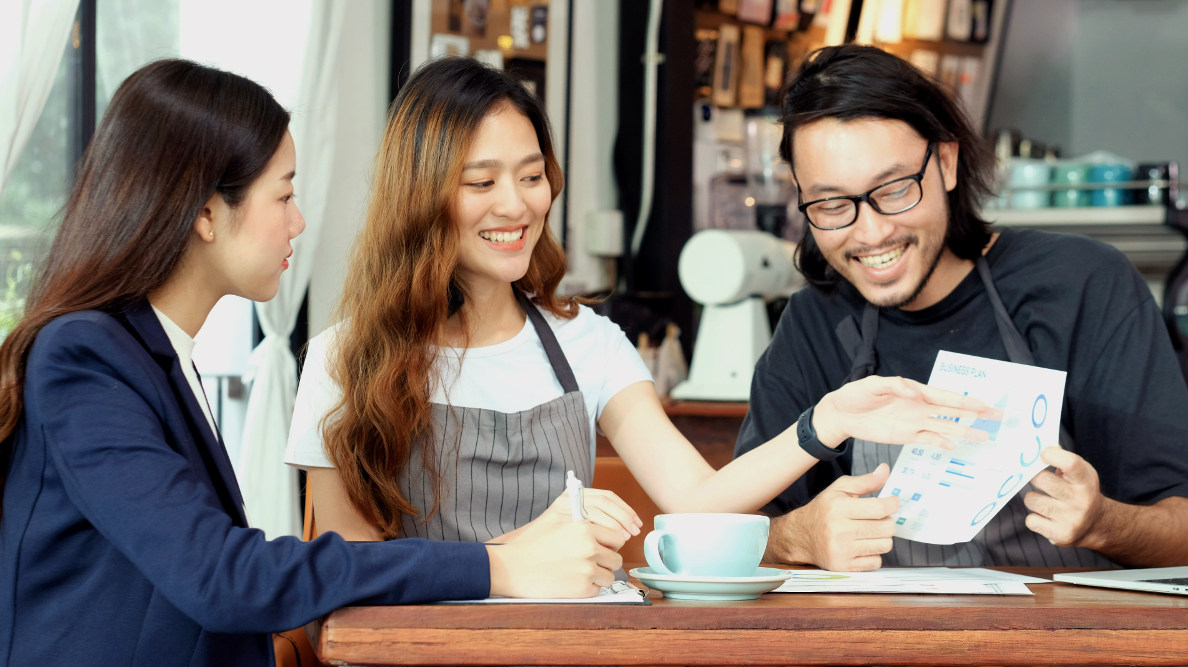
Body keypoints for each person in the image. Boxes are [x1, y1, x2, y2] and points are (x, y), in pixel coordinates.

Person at [0, 59, 628, 667]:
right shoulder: (84, 356)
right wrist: (500, 566)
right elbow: (224, 577)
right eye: (285, 194)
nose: (299, 221)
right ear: (205, 213)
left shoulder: (155, 352)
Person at [283, 56, 995, 552]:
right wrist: (523, 551)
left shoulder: (585, 342)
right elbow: (346, 563)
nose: (517, 204)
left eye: (532, 175)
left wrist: (827, 421)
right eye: (482, 181)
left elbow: (697, 499)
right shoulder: (343, 360)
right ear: (423, 194)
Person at [734, 43, 1188, 572]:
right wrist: (800, 536)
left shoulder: (1081, 285)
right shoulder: (812, 326)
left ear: (947, 164)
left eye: (893, 190)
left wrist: (1102, 522)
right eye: (833, 204)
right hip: (887, 649)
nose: (871, 232)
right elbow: (728, 529)